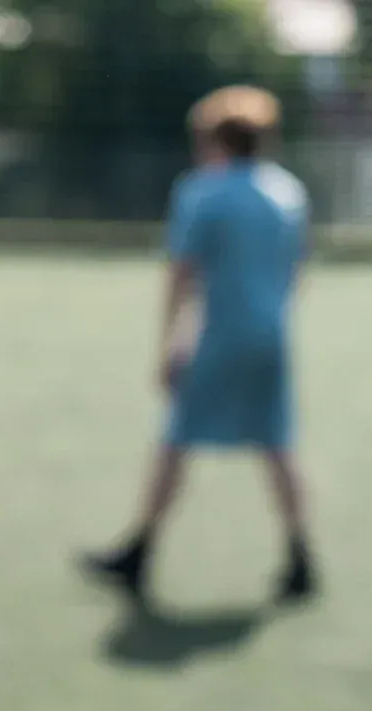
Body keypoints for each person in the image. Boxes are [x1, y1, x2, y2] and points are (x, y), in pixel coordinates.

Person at [81, 86, 317, 603]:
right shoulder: (288, 192)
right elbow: (297, 270)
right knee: (276, 442)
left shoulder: (203, 192)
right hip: (272, 334)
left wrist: (170, 342)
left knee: (176, 439)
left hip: (221, 333)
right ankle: (302, 558)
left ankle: (139, 552)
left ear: (215, 139)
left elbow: (182, 275)